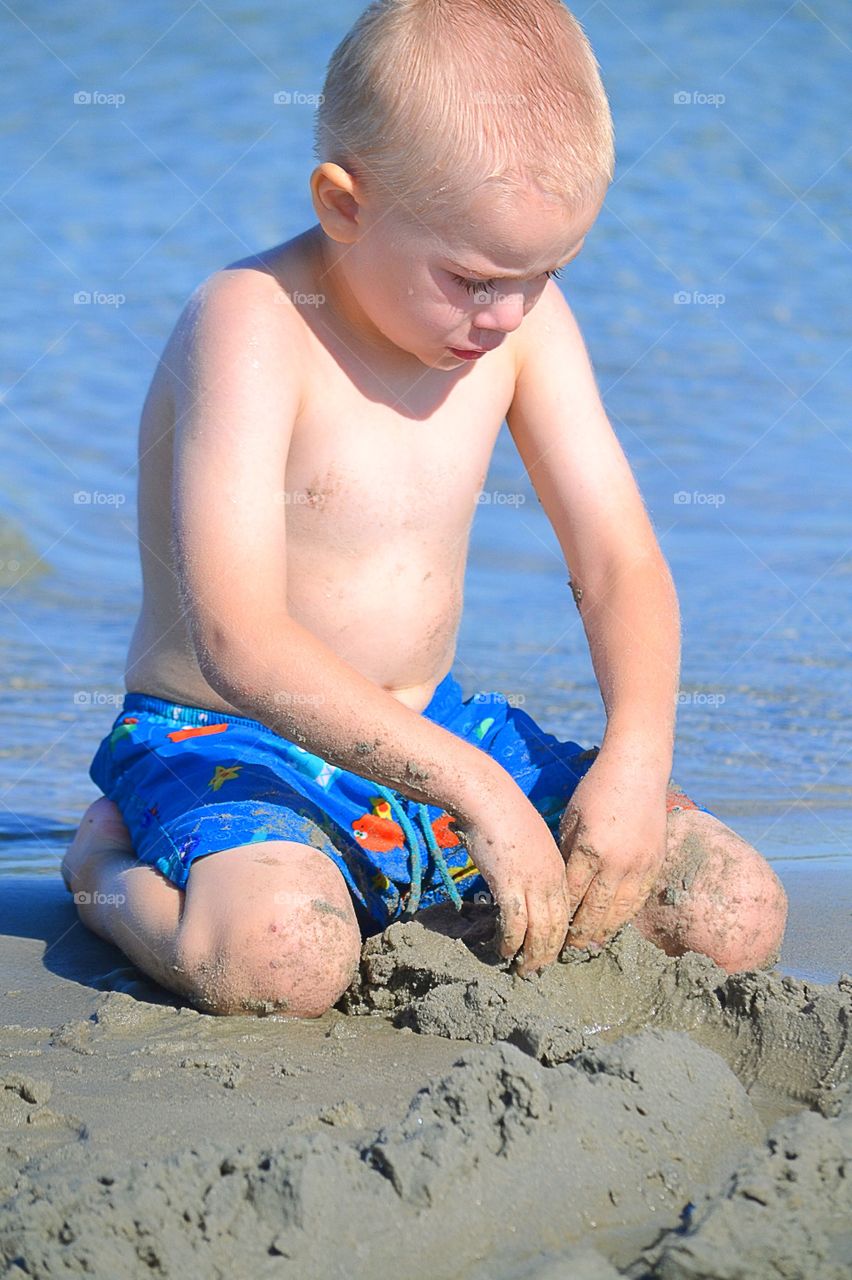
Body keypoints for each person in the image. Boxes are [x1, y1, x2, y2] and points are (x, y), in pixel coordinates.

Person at [62, 0, 787, 1018]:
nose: (506, 315)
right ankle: (108, 873)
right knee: (288, 961)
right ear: (344, 204)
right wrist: (479, 790)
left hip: (429, 727)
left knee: (733, 907)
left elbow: (617, 559)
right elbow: (238, 637)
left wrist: (636, 755)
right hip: (226, 735)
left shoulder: (521, 324)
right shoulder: (254, 322)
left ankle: (392, 873)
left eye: (543, 276)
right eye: (473, 278)